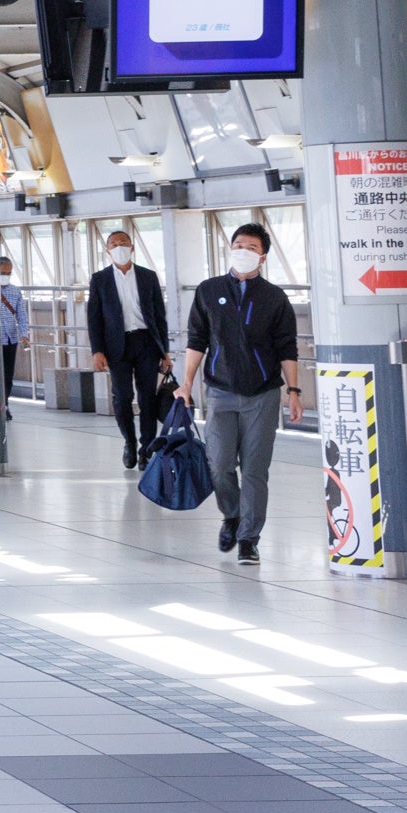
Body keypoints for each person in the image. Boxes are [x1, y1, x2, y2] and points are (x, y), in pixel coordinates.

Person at [180, 222, 302, 565]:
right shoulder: (208, 290)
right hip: (220, 390)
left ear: (262, 257)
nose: (243, 251)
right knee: (218, 464)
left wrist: (293, 390)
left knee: (254, 470)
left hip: (262, 394)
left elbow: (286, 347)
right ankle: (231, 515)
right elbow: (196, 340)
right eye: (238, 245)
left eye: (250, 247)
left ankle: (249, 537)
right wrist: (186, 383)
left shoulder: (274, 297)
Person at [88, 230, 172, 473]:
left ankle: (147, 449)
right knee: (122, 397)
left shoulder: (148, 277)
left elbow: (159, 316)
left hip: (146, 342)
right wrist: (97, 350)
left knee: (147, 398)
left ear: (132, 247)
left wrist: (164, 351)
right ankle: (129, 441)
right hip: (116, 345)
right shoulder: (100, 279)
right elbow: (94, 318)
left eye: (123, 243)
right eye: (114, 244)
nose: (119, 247)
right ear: (107, 250)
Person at [0, 258, 29, 399]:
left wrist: (24, 334)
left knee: (8, 374)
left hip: (10, 339)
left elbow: (22, 315)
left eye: (8, 273)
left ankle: (5, 403)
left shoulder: (15, 291)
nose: (5, 276)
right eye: (2, 273)